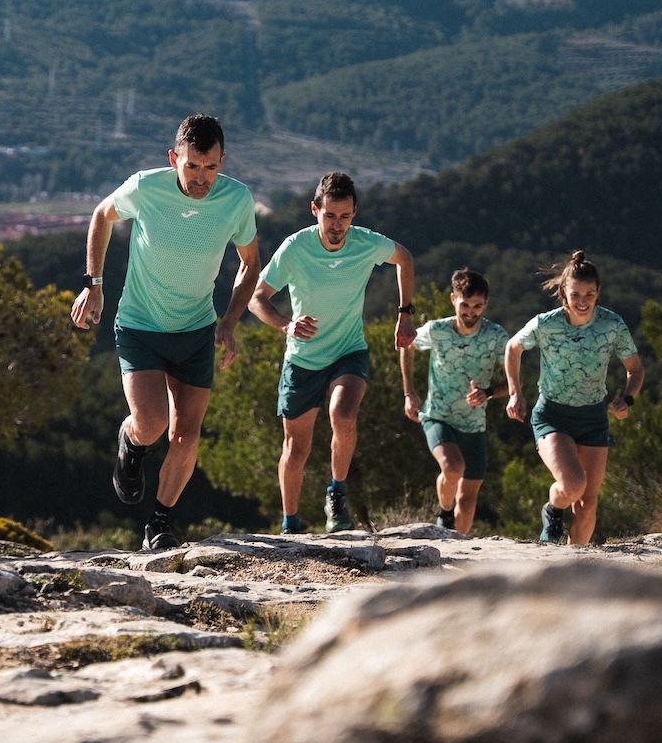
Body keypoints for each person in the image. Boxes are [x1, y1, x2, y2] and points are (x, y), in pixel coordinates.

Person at [71, 115, 260, 551]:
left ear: (222, 161)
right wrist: (93, 285)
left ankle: (160, 522)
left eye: (210, 167)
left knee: (185, 435)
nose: (201, 178)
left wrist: (229, 322)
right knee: (152, 423)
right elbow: (102, 215)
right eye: (192, 166)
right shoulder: (145, 187)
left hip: (196, 329)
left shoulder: (236, 199)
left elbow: (250, 262)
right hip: (140, 324)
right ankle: (131, 439)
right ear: (174, 158)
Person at [247, 172, 414, 534]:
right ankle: (291, 521)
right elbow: (257, 300)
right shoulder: (295, 248)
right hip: (303, 359)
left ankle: (336, 493)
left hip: (349, 350)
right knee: (297, 447)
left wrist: (405, 315)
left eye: (345, 216)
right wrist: (286, 325)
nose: (338, 225)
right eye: (330, 216)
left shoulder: (367, 243)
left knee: (343, 413)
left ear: (354, 213)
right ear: (315, 210)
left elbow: (404, 259)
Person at [504, 250, 644, 545]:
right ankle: (552, 509)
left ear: (598, 293)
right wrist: (515, 393)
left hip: (593, 419)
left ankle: (572, 563)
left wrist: (627, 398)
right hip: (552, 415)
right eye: (576, 294)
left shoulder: (612, 325)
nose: (583, 301)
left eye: (589, 294)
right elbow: (513, 348)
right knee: (572, 484)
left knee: (588, 504)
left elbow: (635, 369)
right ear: (563, 294)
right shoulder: (546, 324)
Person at [399, 268, 508, 534]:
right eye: (465, 305)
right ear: (453, 300)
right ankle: (444, 514)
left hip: (473, 424)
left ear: (486, 305)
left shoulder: (496, 336)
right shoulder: (438, 330)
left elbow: (513, 382)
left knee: (468, 498)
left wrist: (489, 392)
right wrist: (409, 393)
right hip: (438, 416)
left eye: (478, 306)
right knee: (452, 466)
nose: (471, 312)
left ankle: (457, 546)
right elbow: (406, 345)